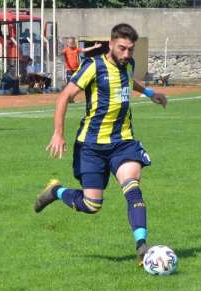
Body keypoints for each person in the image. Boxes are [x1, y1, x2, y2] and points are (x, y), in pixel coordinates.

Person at [34, 23, 167, 266]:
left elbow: (129, 81)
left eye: (130, 50)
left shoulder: (128, 65)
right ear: (111, 43)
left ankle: (141, 246)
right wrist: (58, 133)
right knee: (91, 204)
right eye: (122, 48)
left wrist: (149, 93)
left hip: (123, 142)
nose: (127, 54)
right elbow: (64, 96)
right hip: (91, 146)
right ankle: (56, 191)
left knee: (132, 186)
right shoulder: (93, 67)